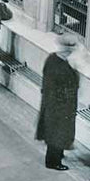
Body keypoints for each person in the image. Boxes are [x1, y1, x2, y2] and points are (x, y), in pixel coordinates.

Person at [35, 34, 79, 171]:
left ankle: (58, 155)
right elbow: (61, 86)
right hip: (59, 106)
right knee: (56, 132)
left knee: (57, 131)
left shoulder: (53, 59)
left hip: (55, 104)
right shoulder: (60, 66)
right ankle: (53, 162)